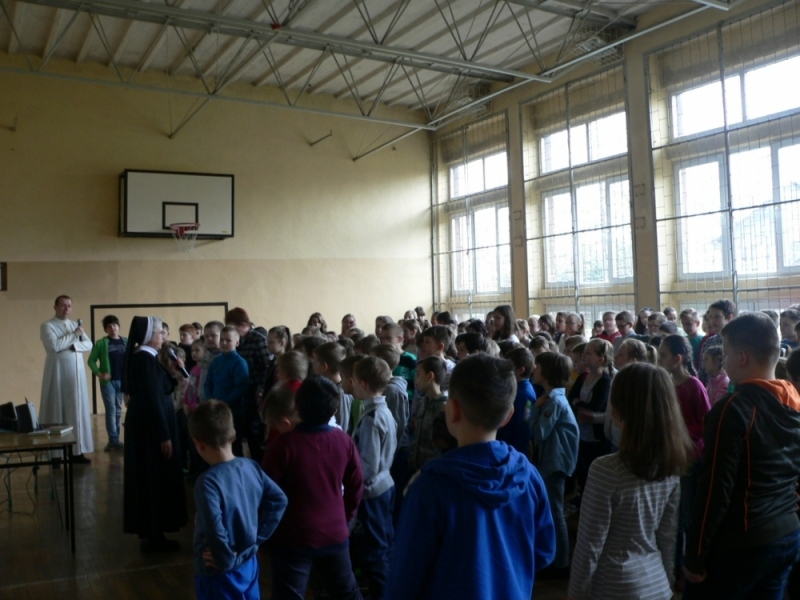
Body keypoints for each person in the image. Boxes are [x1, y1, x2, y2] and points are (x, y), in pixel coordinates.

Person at [385, 354, 556, 600]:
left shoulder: (429, 486)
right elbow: (544, 551)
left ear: (453, 410)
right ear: (508, 415)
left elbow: (405, 576)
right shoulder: (528, 474)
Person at [684, 312, 800, 599]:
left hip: (744, 540)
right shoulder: (793, 399)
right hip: (787, 531)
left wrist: (695, 555)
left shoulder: (732, 409)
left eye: (725, 354)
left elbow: (714, 488)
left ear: (742, 357)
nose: (724, 362)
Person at [567, 363, 695, 600]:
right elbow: (667, 538)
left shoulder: (605, 469)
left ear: (618, 409)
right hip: (656, 582)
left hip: (614, 585)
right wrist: (666, 583)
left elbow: (589, 546)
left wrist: (575, 595)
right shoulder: (672, 466)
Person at [262, 378, 364, 600]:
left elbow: (266, 494)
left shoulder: (282, 445)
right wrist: (346, 517)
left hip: (292, 536)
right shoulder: (344, 440)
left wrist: (264, 535)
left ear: (297, 406)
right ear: (334, 410)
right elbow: (356, 485)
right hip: (335, 531)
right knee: (346, 592)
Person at [190, 400, 287, 600]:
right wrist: (255, 541)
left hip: (218, 572)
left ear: (199, 444)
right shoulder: (251, 467)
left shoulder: (207, 483)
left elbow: (215, 530)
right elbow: (279, 501)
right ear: (233, 435)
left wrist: (226, 561)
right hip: (248, 563)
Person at [122, 316, 187, 552]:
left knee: (152, 477)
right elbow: (153, 399)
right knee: (153, 477)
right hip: (151, 428)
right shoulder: (145, 360)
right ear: (149, 336)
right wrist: (163, 435)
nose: (164, 337)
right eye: (160, 333)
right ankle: (154, 534)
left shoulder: (147, 359)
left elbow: (159, 389)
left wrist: (172, 372)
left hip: (147, 423)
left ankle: (153, 531)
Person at [350, 356, 397, 600]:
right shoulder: (382, 411)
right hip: (385, 483)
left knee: (375, 551)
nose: (352, 385)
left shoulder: (372, 418)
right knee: (383, 545)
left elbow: (367, 466)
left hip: (372, 492)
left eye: (354, 380)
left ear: (364, 384)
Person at [531, 352, 580, 580]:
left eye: (538, 366)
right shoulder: (552, 398)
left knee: (555, 512)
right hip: (553, 460)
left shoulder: (553, 402)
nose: (534, 369)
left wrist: (535, 409)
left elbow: (539, 432)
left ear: (548, 373)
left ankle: (561, 563)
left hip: (555, 462)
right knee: (553, 510)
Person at [40, 295, 94, 463]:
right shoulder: (47, 326)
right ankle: (55, 456)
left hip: (76, 376)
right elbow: (54, 346)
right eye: (63, 305)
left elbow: (89, 344)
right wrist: (74, 335)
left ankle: (76, 452)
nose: (66, 309)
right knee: (57, 410)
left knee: (76, 411)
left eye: (69, 306)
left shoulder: (74, 325)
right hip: (57, 374)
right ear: (55, 307)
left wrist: (72, 345)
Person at [225, 307, 270, 464]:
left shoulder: (258, 340)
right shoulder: (236, 341)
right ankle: (240, 464)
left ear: (243, 325)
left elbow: (266, 368)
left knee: (253, 431)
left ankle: (257, 464)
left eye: (233, 327)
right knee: (237, 429)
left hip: (253, 392)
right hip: (237, 392)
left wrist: (260, 390)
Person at [569, 339, 613, 494]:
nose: (584, 356)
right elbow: (571, 397)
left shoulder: (605, 380)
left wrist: (577, 402)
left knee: (594, 472)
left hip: (597, 437)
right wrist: (578, 403)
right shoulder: (583, 376)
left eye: (588, 353)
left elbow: (595, 407)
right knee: (582, 469)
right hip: (581, 432)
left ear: (600, 359)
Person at [205, 326, 250, 457]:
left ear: (237, 342)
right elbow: (208, 383)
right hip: (215, 408)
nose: (224, 343)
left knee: (233, 444)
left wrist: (223, 403)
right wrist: (211, 400)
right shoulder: (216, 361)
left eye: (228, 340)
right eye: (222, 340)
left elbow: (241, 388)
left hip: (232, 411)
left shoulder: (240, 363)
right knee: (217, 442)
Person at [88, 314, 127, 451]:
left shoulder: (126, 342)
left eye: (115, 325)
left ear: (119, 327)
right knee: (111, 410)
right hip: (108, 382)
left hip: (122, 381)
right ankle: (113, 440)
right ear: (106, 329)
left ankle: (116, 439)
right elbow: (91, 361)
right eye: (109, 326)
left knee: (118, 410)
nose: (113, 328)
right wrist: (100, 374)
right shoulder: (102, 343)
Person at [496, 348, 536, 457]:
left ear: (520, 370)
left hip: (513, 448)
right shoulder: (516, 387)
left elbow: (524, 426)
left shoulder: (525, 394)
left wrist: (517, 454)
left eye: (508, 367)